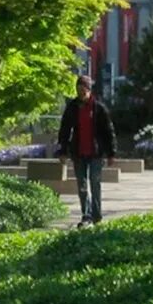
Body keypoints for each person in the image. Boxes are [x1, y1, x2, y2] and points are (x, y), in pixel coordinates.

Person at [56, 74, 116, 227]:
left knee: (95, 184)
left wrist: (111, 153)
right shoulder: (72, 108)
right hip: (78, 152)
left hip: (96, 153)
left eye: (83, 90)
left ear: (89, 90)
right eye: (78, 90)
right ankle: (86, 215)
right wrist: (62, 150)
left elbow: (108, 131)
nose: (81, 93)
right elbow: (64, 129)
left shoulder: (99, 108)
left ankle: (97, 215)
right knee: (82, 186)